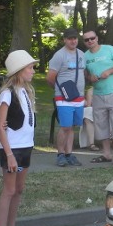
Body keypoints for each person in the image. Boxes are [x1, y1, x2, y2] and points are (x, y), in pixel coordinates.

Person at [0, 50, 37, 226]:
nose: (33, 71)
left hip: (26, 146)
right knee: (9, 190)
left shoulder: (26, 91)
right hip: (12, 149)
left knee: (19, 189)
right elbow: (0, 126)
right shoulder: (7, 93)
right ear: (19, 70)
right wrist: (9, 154)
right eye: (30, 68)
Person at [83, 30, 113, 165]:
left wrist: (109, 71)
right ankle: (106, 154)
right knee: (101, 124)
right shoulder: (85, 56)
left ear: (97, 38)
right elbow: (86, 74)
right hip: (98, 93)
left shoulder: (109, 49)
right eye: (87, 40)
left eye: (92, 38)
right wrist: (91, 77)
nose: (90, 41)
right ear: (84, 42)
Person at [46, 29, 85, 167]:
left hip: (79, 97)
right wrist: (60, 91)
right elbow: (50, 78)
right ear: (64, 40)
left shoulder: (81, 54)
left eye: (75, 38)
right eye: (70, 38)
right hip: (63, 98)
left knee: (73, 126)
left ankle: (69, 154)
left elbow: (83, 72)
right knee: (65, 126)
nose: (73, 41)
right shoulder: (59, 55)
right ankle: (60, 154)